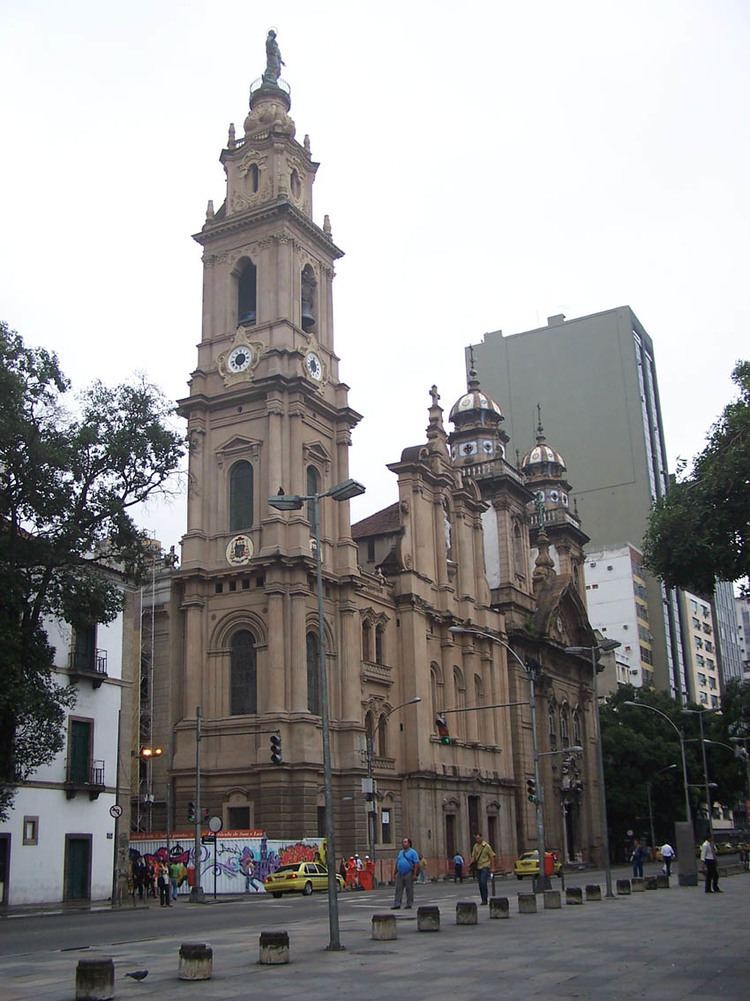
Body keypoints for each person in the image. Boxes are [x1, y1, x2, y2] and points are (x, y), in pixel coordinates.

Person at [391, 837, 420, 909]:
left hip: (408, 872)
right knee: (398, 889)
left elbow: (416, 863)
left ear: (409, 843)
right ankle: (397, 904)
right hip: (400, 873)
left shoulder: (413, 852)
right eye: (403, 842)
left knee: (409, 889)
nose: (403, 844)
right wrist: (394, 872)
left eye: (405, 842)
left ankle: (409, 903)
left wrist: (414, 874)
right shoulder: (401, 852)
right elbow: (397, 862)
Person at [470, 832, 496, 905]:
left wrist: (493, 867)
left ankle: (485, 899)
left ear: (481, 838)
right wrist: (470, 864)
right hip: (478, 867)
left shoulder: (486, 846)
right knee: (480, 884)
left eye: (478, 838)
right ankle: (483, 899)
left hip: (485, 866)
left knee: (483, 882)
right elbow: (473, 856)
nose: (477, 840)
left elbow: (492, 856)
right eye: (476, 838)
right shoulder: (475, 846)